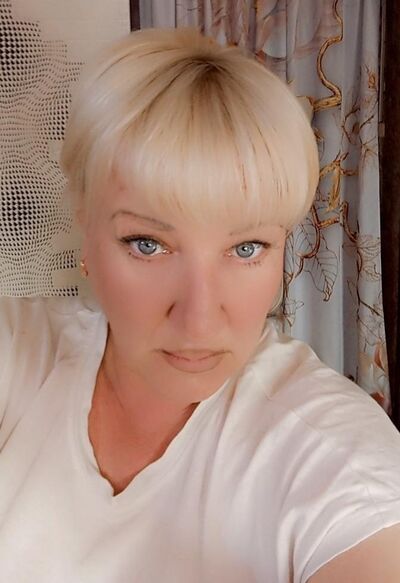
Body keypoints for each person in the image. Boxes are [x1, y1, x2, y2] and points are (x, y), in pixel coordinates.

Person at [0, 27, 399, 583]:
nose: (199, 318)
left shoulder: (331, 450)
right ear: (84, 227)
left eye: (246, 248)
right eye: (148, 244)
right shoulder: (20, 354)